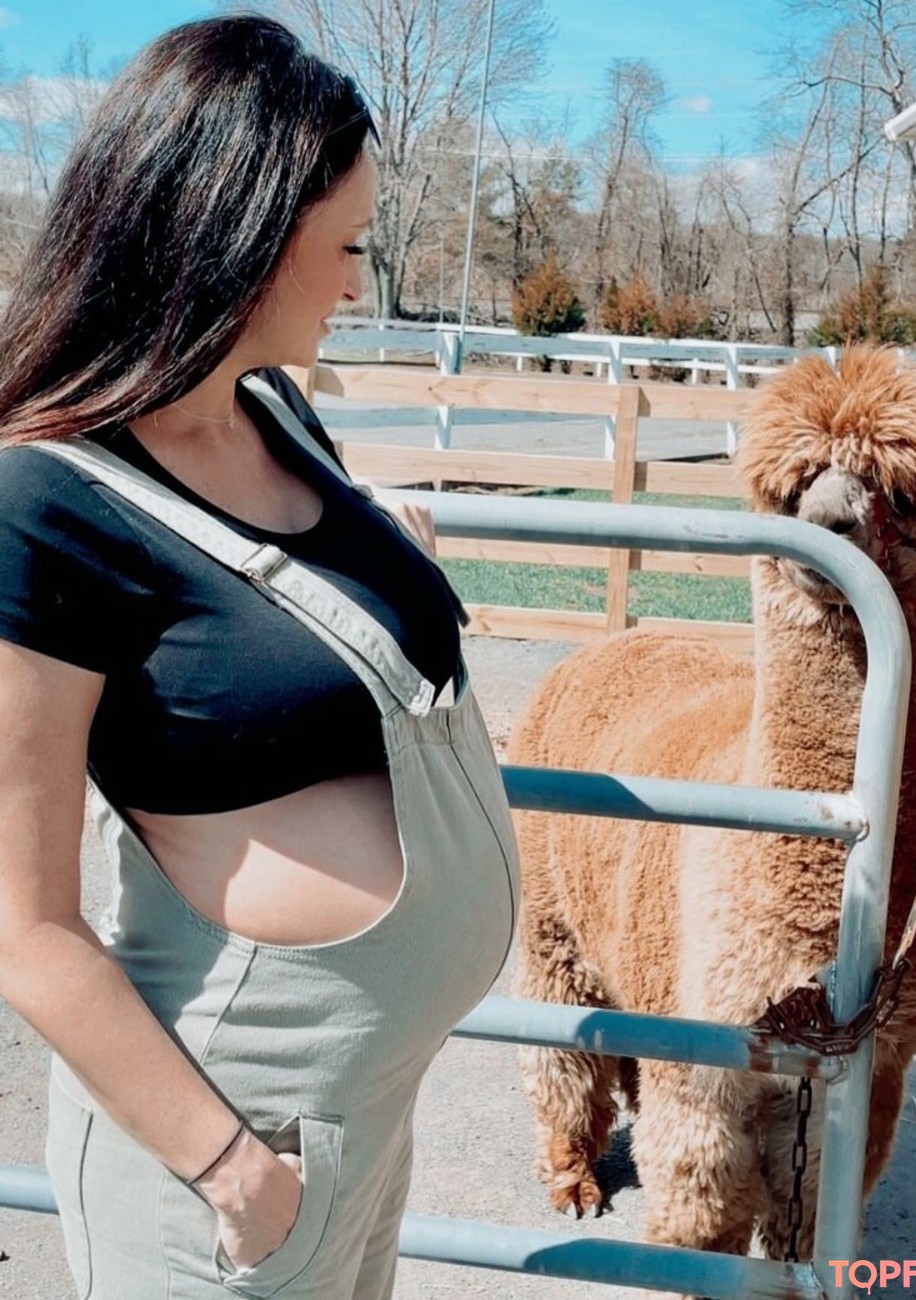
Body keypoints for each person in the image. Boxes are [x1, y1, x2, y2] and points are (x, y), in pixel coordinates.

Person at [0, 16, 519, 1300]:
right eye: (347, 248)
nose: (357, 285)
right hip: (235, 1145)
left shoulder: (274, 413)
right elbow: (24, 923)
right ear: (236, 235)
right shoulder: (44, 503)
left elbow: (262, 616)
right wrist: (235, 1170)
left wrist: (380, 549)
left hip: (357, 1121)